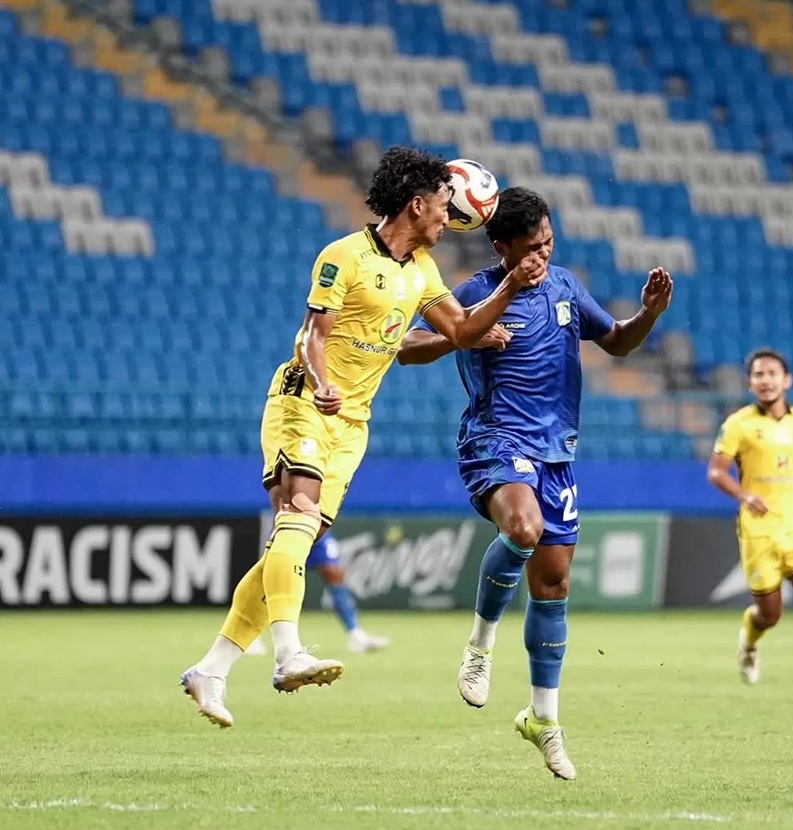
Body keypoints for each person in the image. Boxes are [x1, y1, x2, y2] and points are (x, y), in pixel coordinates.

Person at [181, 148, 547, 728]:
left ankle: (211, 669)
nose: (450, 218)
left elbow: (461, 331)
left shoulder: (423, 270)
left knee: (296, 542)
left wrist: (504, 290)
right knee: (296, 519)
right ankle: (287, 653)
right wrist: (324, 384)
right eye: (444, 205)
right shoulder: (344, 256)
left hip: (354, 424)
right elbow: (311, 336)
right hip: (305, 400)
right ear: (417, 202)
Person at [397, 186, 673, 778]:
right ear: (502, 247)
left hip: (558, 456)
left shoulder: (567, 286)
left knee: (553, 585)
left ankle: (542, 719)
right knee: (524, 528)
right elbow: (405, 346)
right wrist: (465, 334)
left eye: (548, 244)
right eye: (531, 248)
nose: (542, 256)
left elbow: (617, 342)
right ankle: (478, 646)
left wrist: (647, 313)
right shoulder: (473, 293)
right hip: (497, 441)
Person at [705, 348, 793, 700]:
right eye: (758, 375)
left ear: (787, 380)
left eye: (772, 374)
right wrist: (744, 495)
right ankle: (750, 640)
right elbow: (715, 472)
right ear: (750, 383)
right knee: (770, 614)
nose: (766, 380)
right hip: (758, 528)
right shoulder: (739, 424)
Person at [307, 533, 390, 653]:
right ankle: (283, 639)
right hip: (293, 527)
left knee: (334, 574)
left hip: (319, 532)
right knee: (281, 576)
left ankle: (355, 634)